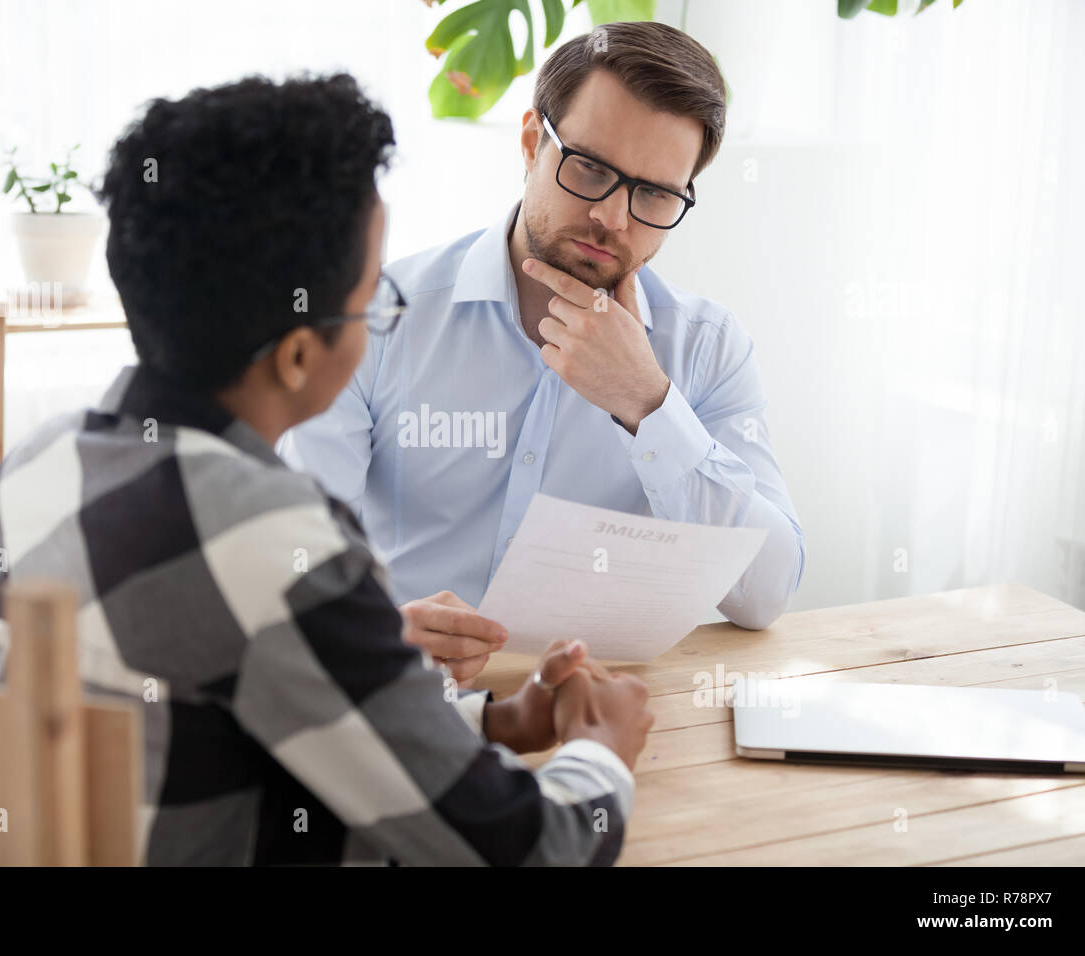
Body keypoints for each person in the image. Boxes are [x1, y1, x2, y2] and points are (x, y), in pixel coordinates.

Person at [0, 73, 652, 865]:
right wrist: (602, 750)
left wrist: (493, 723)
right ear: (296, 355)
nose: (385, 313)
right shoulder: (281, 545)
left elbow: (213, 729)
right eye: (372, 296)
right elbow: (531, 853)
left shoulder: (32, 467)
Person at [281, 22, 806, 684]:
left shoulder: (706, 347)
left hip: (602, 721)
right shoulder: (380, 316)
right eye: (590, 168)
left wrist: (648, 403)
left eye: (653, 194)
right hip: (403, 703)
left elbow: (765, 594)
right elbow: (292, 556)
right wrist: (370, 627)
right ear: (532, 142)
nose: (614, 218)